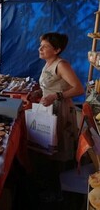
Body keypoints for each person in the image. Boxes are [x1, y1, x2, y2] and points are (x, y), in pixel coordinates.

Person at [26, 32, 84, 203]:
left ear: (57, 50)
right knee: (48, 148)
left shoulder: (61, 65)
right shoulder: (48, 63)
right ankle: (50, 184)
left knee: (57, 150)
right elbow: (48, 86)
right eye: (41, 45)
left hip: (60, 111)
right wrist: (38, 92)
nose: (40, 48)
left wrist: (56, 96)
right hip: (48, 109)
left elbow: (78, 89)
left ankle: (59, 193)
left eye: (45, 46)